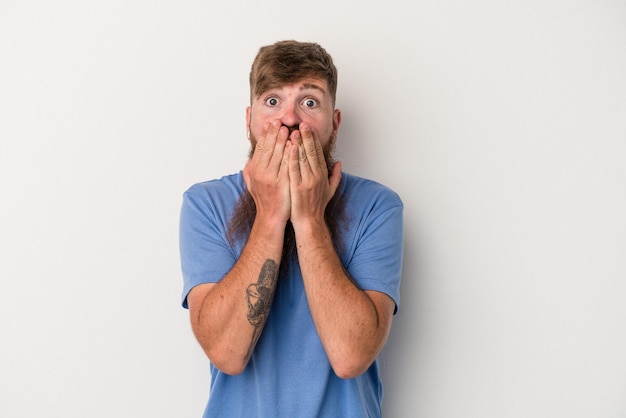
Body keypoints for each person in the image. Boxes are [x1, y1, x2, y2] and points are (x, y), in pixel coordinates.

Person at [179, 40, 404, 418]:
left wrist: (309, 218)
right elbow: (227, 354)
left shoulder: (378, 206)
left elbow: (350, 357)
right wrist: (270, 215)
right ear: (249, 119)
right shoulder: (206, 203)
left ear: (334, 123)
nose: (290, 119)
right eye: (272, 102)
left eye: (309, 102)